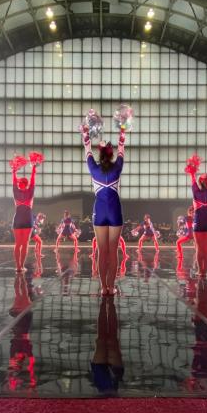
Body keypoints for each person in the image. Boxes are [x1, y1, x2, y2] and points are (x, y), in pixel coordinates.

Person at [82, 122, 126, 296]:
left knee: (102, 251)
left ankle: (103, 287)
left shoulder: (93, 168)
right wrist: (122, 132)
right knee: (113, 252)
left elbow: (87, 149)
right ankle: (111, 286)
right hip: (115, 211)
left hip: (99, 212)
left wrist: (86, 134)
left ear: (100, 156)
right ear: (112, 154)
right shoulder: (117, 167)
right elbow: (122, 148)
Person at [11, 156, 39, 273]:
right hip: (27, 219)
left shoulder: (15, 191)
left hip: (18, 219)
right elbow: (33, 180)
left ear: (19, 184)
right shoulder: (30, 191)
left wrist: (14, 171)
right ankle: (22, 266)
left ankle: (18, 266)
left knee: (18, 244)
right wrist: (33, 168)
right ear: (26, 184)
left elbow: (14, 180)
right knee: (25, 244)